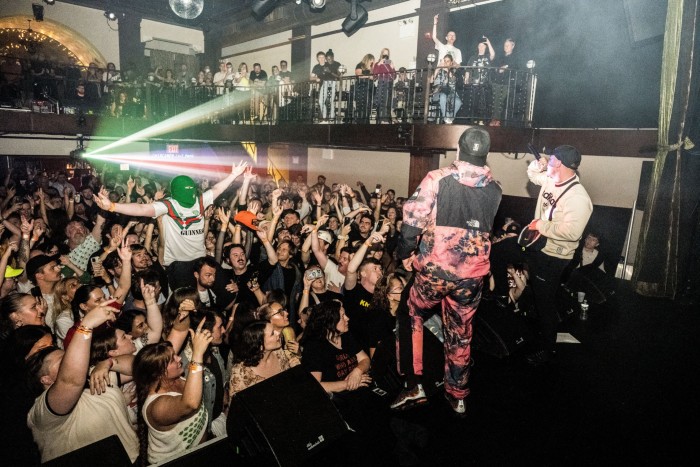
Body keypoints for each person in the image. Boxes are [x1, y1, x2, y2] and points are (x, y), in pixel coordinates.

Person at [393, 128, 502, 416]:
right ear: (484, 154)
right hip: (472, 278)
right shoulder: (496, 189)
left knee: (409, 312)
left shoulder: (437, 179)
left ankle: (413, 384)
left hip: (436, 272)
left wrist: (405, 254)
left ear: (459, 149)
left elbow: (412, 222)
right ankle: (457, 395)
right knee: (461, 332)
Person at [93, 161, 248, 289]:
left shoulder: (200, 200)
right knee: (187, 300)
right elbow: (141, 208)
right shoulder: (168, 205)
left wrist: (234, 174)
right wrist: (112, 206)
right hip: (178, 263)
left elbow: (217, 189)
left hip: (200, 257)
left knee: (226, 291)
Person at [26, 300, 138, 463]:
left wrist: (108, 363)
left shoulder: (95, 376)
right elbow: (70, 381)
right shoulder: (43, 411)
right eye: (62, 362)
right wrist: (86, 325)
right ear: (45, 379)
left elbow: (140, 365)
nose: (70, 362)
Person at [524, 145, 592, 365]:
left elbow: (572, 233)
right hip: (540, 248)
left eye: (550, 159)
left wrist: (541, 225)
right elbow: (533, 175)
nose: (547, 162)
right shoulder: (551, 180)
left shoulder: (577, 197)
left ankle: (548, 350)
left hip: (554, 257)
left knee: (545, 303)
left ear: (560, 163)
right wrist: (539, 165)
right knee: (537, 293)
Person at [133, 320, 212, 465]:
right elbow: (190, 403)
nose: (179, 359)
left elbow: (180, 331)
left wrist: (184, 313)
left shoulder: (172, 377)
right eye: (172, 360)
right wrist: (197, 355)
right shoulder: (157, 407)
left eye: (175, 355)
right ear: (158, 374)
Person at [490, 38, 518, 126]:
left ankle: (496, 120)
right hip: (496, 81)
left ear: (513, 46)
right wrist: (500, 69)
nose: (505, 47)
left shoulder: (515, 57)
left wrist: (504, 68)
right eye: (504, 45)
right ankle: (494, 119)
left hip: (506, 83)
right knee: (495, 101)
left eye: (507, 45)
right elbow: (495, 67)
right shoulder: (500, 56)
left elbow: (514, 68)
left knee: (500, 100)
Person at [430, 54, 463, 124]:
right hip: (438, 92)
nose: (445, 63)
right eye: (444, 61)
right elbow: (431, 81)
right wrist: (437, 69)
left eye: (448, 61)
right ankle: (446, 117)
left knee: (458, 102)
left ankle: (450, 119)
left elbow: (455, 82)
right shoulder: (439, 70)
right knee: (443, 97)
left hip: (451, 93)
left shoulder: (454, 71)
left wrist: (448, 72)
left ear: (451, 63)